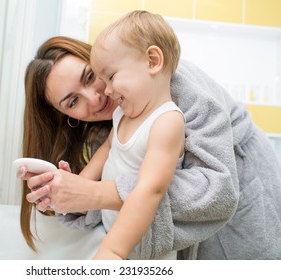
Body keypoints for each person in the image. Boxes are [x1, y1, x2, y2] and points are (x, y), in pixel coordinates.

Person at [20, 17, 281, 260]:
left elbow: (215, 190)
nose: (97, 97)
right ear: (65, 116)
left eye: (91, 77)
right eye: (73, 101)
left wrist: (98, 195)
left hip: (245, 208)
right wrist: (68, 194)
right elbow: (110, 200)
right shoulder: (111, 124)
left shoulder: (174, 89)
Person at [76, 11, 185, 260]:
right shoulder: (122, 116)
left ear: (153, 61)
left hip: (143, 250)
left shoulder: (167, 121)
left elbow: (150, 190)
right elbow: (106, 148)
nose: (107, 90)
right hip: (114, 237)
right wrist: (81, 183)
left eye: (111, 77)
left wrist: (114, 250)